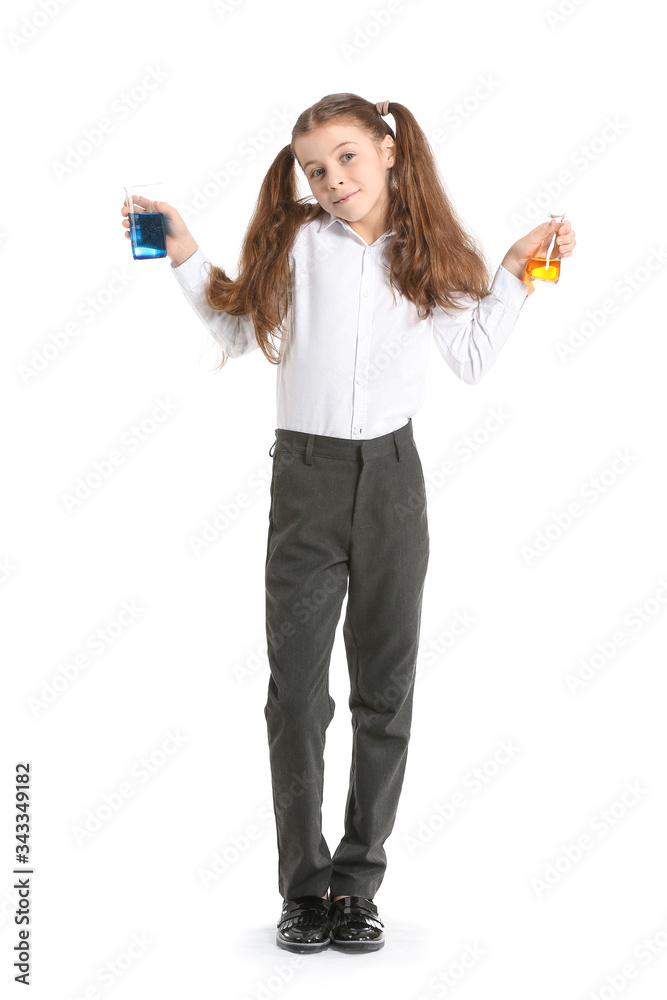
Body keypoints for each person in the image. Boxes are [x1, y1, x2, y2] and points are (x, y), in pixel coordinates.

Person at [120, 93, 576, 954]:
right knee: (296, 697)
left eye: (347, 158)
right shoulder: (295, 243)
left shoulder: (431, 252)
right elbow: (234, 323)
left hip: (394, 484)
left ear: (389, 150)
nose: (332, 180)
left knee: (384, 693)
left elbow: (473, 358)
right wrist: (182, 252)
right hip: (306, 479)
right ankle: (304, 889)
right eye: (315, 168)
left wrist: (518, 271)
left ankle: (357, 884)